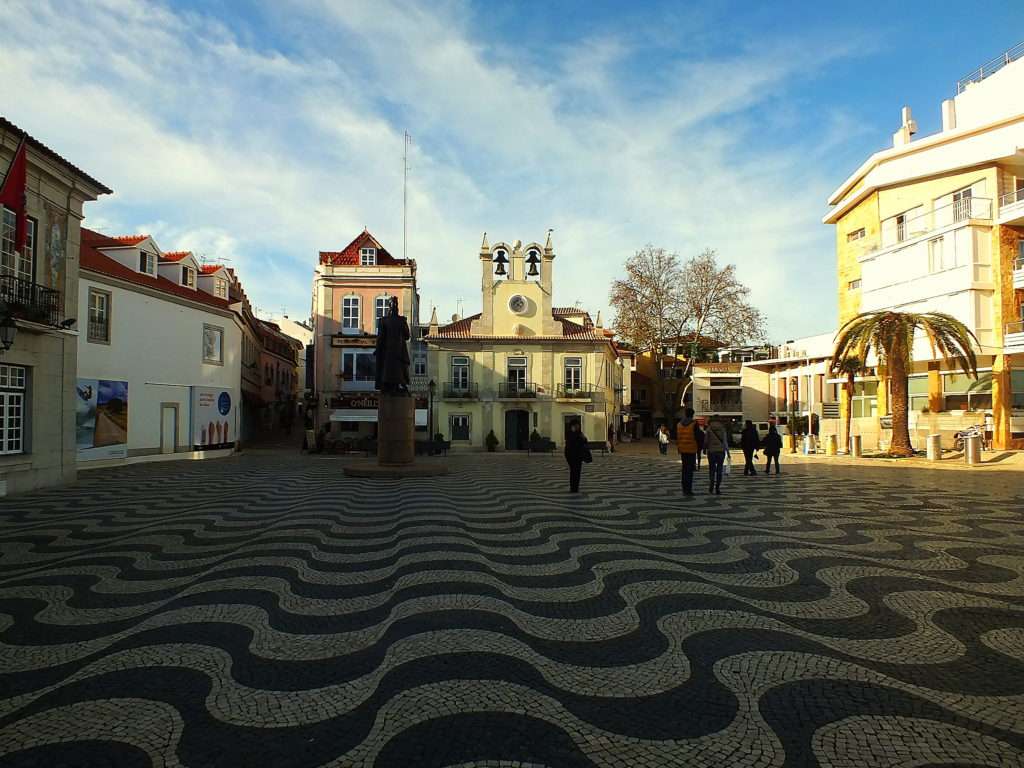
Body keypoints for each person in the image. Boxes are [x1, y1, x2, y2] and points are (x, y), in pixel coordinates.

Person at [676, 408, 702, 496]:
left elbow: (677, 437)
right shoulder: (694, 424)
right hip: (691, 449)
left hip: (682, 449)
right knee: (689, 470)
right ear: (692, 414)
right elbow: (698, 436)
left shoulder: (679, 424)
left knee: (684, 469)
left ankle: (684, 488)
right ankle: (688, 489)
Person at [704, 416, 729, 494]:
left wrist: (704, 448)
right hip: (721, 451)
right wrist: (728, 451)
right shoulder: (722, 429)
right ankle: (717, 487)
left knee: (712, 469)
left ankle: (711, 485)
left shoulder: (709, 428)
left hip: (711, 451)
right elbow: (725, 441)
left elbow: (706, 441)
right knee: (719, 469)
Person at [565, 420, 591, 492]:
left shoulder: (580, 433)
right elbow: (571, 443)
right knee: (573, 471)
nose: (577, 427)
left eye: (578, 425)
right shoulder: (570, 433)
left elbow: (585, 441)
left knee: (577, 472)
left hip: (578, 456)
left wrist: (584, 438)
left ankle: (576, 487)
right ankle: (573, 487)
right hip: (571, 455)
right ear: (572, 426)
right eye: (575, 425)